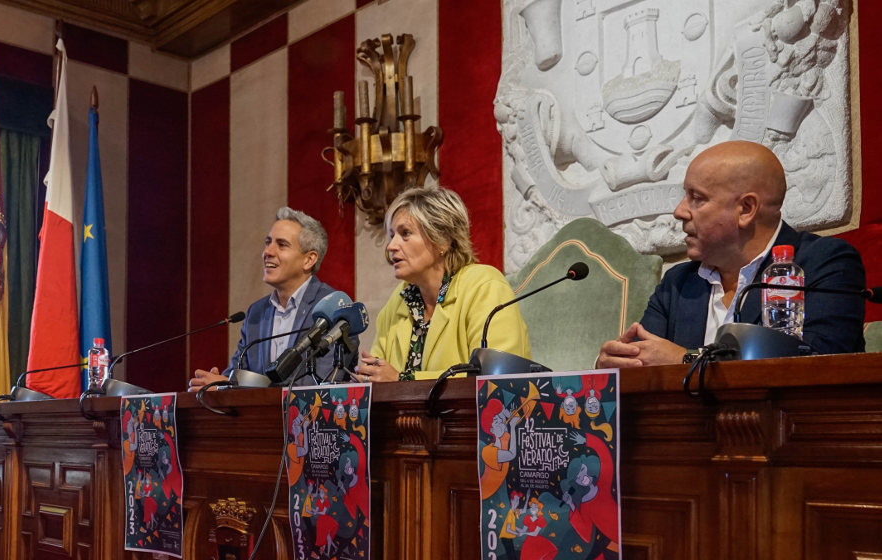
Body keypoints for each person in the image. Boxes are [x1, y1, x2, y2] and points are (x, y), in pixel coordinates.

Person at [596, 141, 866, 368]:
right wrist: (612, 364)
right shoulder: (678, 284)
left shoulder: (825, 264)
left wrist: (685, 358)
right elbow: (643, 358)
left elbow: (816, 364)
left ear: (746, 209)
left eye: (697, 198)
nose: (679, 211)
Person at [352, 186, 531, 382]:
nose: (391, 246)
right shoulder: (399, 299)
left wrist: (403, 380)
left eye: (405, 234)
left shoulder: (485, 286)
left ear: (443, 240)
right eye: (393, 235)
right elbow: (382, 374)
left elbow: (497, 377)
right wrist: (369, 377)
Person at [189, 207, 357, 389]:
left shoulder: (334, 308)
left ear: (309, 260)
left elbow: (317, 385)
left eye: (282, 244)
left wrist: (229, 387)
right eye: (268, 242)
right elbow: (238, 373)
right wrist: (217, 385)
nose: (267, 252)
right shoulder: (256, 313)